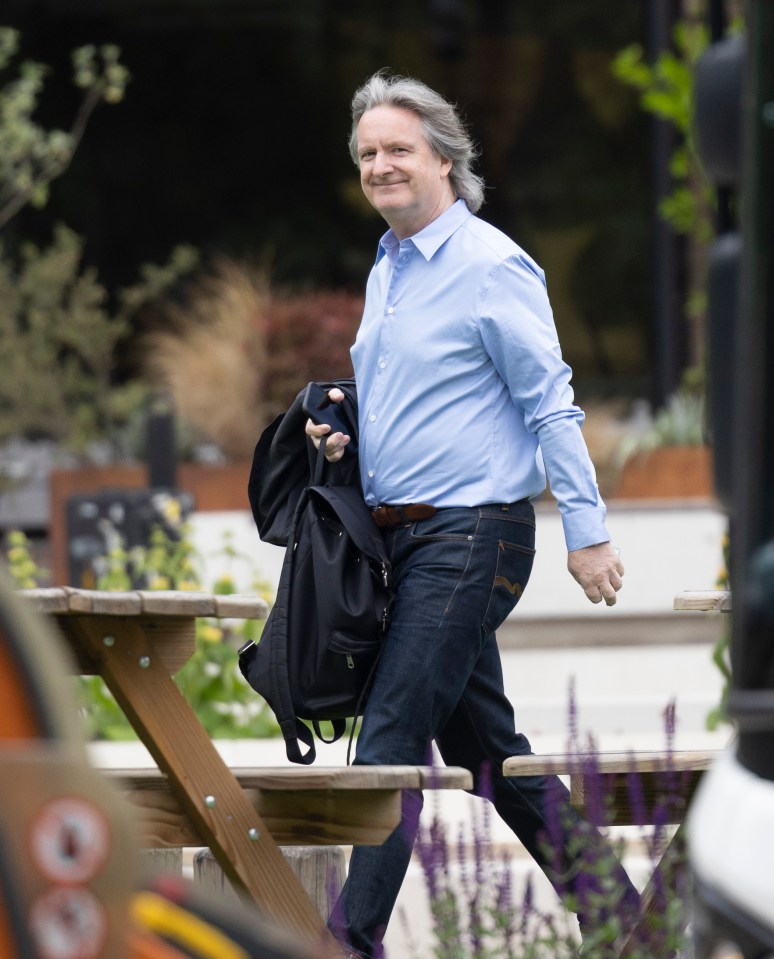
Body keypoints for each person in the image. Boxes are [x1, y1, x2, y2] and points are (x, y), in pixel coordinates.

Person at [305, 71, 639, 959]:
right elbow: (411, 403)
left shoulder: (491, 265)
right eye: (368, 152)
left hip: (472, 535)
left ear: (445, 160)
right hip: (402, 539)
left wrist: (588, 528)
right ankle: (625, 919)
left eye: (399, 150)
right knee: (491, 752)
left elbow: (551, 402)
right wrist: (345, 441)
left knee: (389, 736)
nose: (381, 165)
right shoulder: (388, 268)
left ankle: (349, 940)